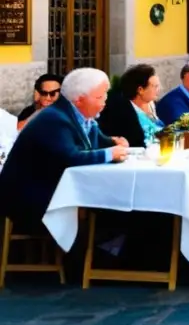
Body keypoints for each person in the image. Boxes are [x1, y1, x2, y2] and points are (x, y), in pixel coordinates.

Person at [0, 68, 129, 225]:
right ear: (80, 100)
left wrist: (115, 142)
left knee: (115, 200)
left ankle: (105, 242)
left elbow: (98, 141)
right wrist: (109, 154)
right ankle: (99, 245)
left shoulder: (80, 116)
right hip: (28, 198)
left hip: (55, 188)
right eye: (100, 96)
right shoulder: (54, 119)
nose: (105, 100)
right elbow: (71, 157)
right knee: (114, 204)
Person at [98, 64, 163, 148]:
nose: (159, 89)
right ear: (140, 90)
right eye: (155, 86)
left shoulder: (148, 106)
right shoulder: (121, 112)